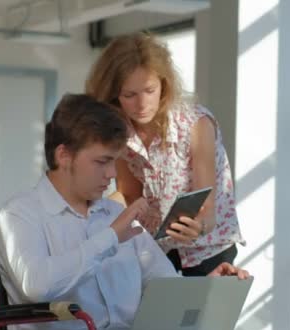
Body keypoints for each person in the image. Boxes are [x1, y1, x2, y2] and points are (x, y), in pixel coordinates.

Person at [0, 94, 248, 330]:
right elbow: (37, 285)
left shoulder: (116, 215)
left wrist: (208, 287)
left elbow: (166, 284)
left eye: (114, 161)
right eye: (102, 161)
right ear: (64, 156)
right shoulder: (20, 214)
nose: (112, 173)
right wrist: (111, 237)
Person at [85, 32, 245, 276]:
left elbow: (208, 210)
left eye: (149, 90)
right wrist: (90, 218)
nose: (142, 104)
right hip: (158, 251)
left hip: (209, 250)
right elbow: (129, 195)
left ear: (164, 84)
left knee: (198, 313)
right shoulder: (120, 133)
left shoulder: (196, 124)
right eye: (129, 95)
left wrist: (198, 226)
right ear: (113, 95)